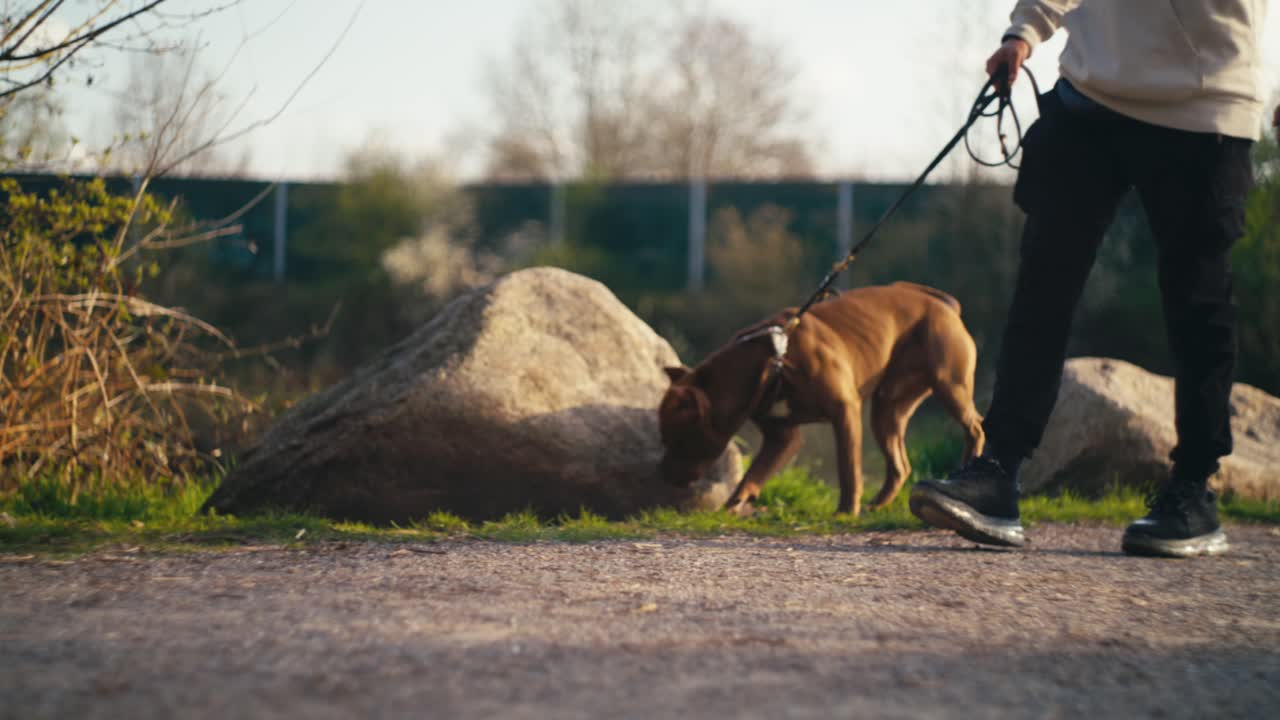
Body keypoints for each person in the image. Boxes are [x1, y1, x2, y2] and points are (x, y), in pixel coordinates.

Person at [909, 0, 1275, 558]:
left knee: (1196, 303)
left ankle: (1193, 490)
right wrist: (1024, 33)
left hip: (1206, 105)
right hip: (1089, 96)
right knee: (1042, 286)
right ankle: (998, 471)